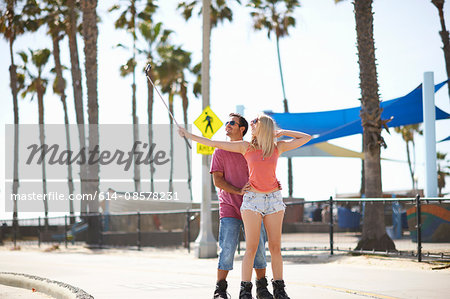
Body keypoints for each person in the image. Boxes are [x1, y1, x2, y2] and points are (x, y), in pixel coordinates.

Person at [179, 114, 311, 299]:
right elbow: (212, 143)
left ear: (263, 126)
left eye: (255, 121)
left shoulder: (277, 147)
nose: (252, 122)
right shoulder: (246, 147)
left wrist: (281, 133)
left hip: (273, 199)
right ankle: (244, 290)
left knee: (274, 248)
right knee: (250, 247)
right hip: (251, 200)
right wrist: (187, 134)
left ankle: (278, 290)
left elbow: (306, 138)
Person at [211, 113, 273, 299]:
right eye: (227, 122)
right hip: (229, 207)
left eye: (232, 123)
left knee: (259, 249)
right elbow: (217, 180)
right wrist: (238, 191)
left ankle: (261, 288)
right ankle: (220, 290)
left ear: (242, 129)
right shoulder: (219, 152)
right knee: (227, 249)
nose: (227, 125)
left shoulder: (252, 149)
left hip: (254, 207)